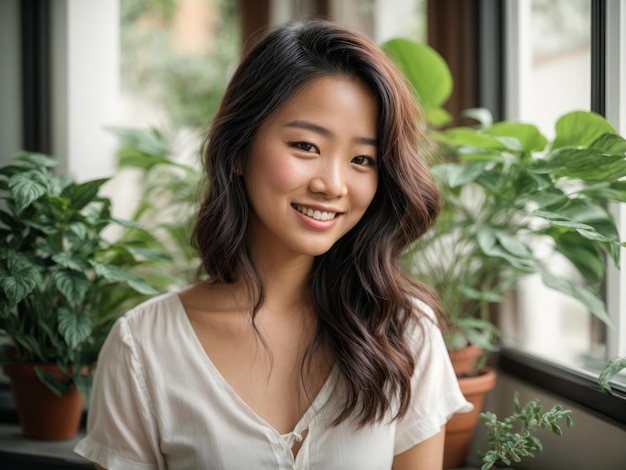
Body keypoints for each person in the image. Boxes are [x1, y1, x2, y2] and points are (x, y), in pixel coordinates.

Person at [74, 19, 472, 469]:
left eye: (362, 159)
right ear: (240, 150)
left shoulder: (403, 332)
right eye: (306, 146)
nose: (333, 184)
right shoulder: (143, 347)